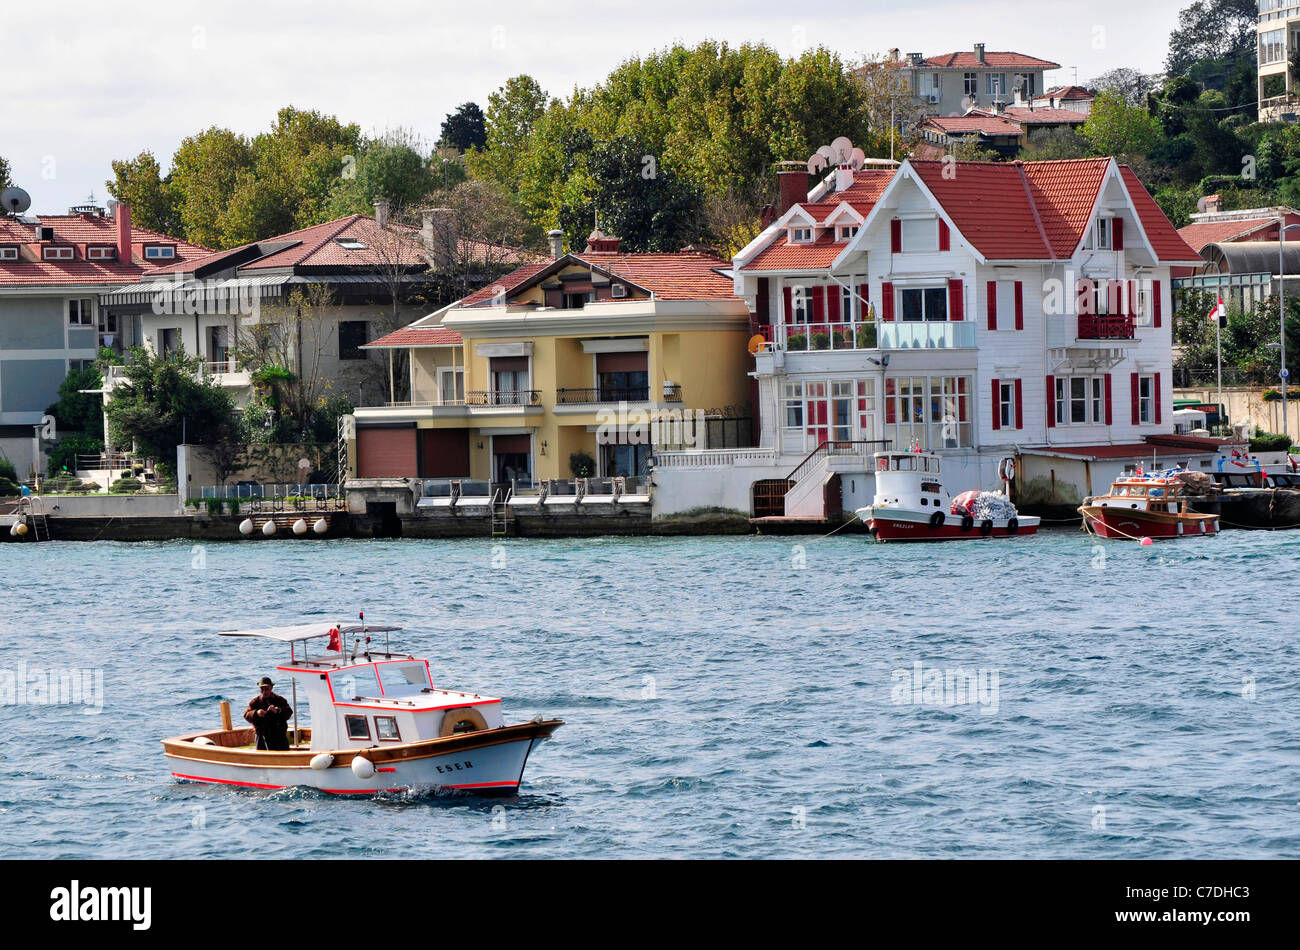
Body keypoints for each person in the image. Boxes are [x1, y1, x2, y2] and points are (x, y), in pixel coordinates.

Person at [244, 676, 293, 751]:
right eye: (262, 689)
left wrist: (277, 711)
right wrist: (256, 713)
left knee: (283, 758)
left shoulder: (280, 700)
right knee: (262, 759)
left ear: (271, 688)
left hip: (279, 735)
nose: (264, 691)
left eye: (266, 689)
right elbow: (246, 715)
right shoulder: (255, 702)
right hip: (261, 736)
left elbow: (289, 712)